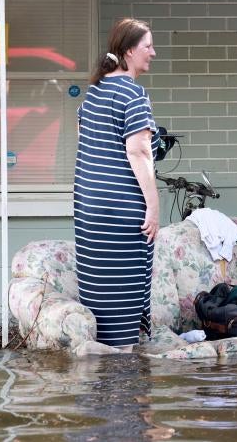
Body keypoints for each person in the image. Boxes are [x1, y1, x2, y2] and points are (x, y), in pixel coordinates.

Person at [74, 18, 160, 352]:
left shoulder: (94, 92)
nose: (153, 52)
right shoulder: (133, 93)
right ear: (128, 51)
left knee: (101, 298)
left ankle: (101, 389)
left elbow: (88, 144)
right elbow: (139, 152)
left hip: (89, 209)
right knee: (124, 305)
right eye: (147, 46)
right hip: (122, 211)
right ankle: (123, 387)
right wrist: (153, 207)